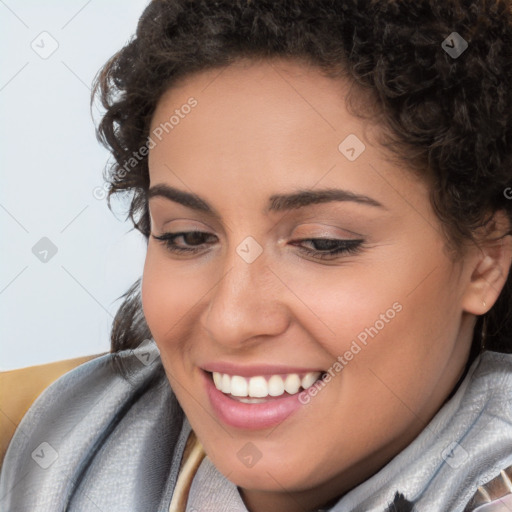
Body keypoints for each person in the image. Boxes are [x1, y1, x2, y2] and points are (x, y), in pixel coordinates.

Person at [1, 0, 512, 510]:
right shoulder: (67, 440)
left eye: (322, 243)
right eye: (188, 237)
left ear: (485, 260)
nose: (231, 319)